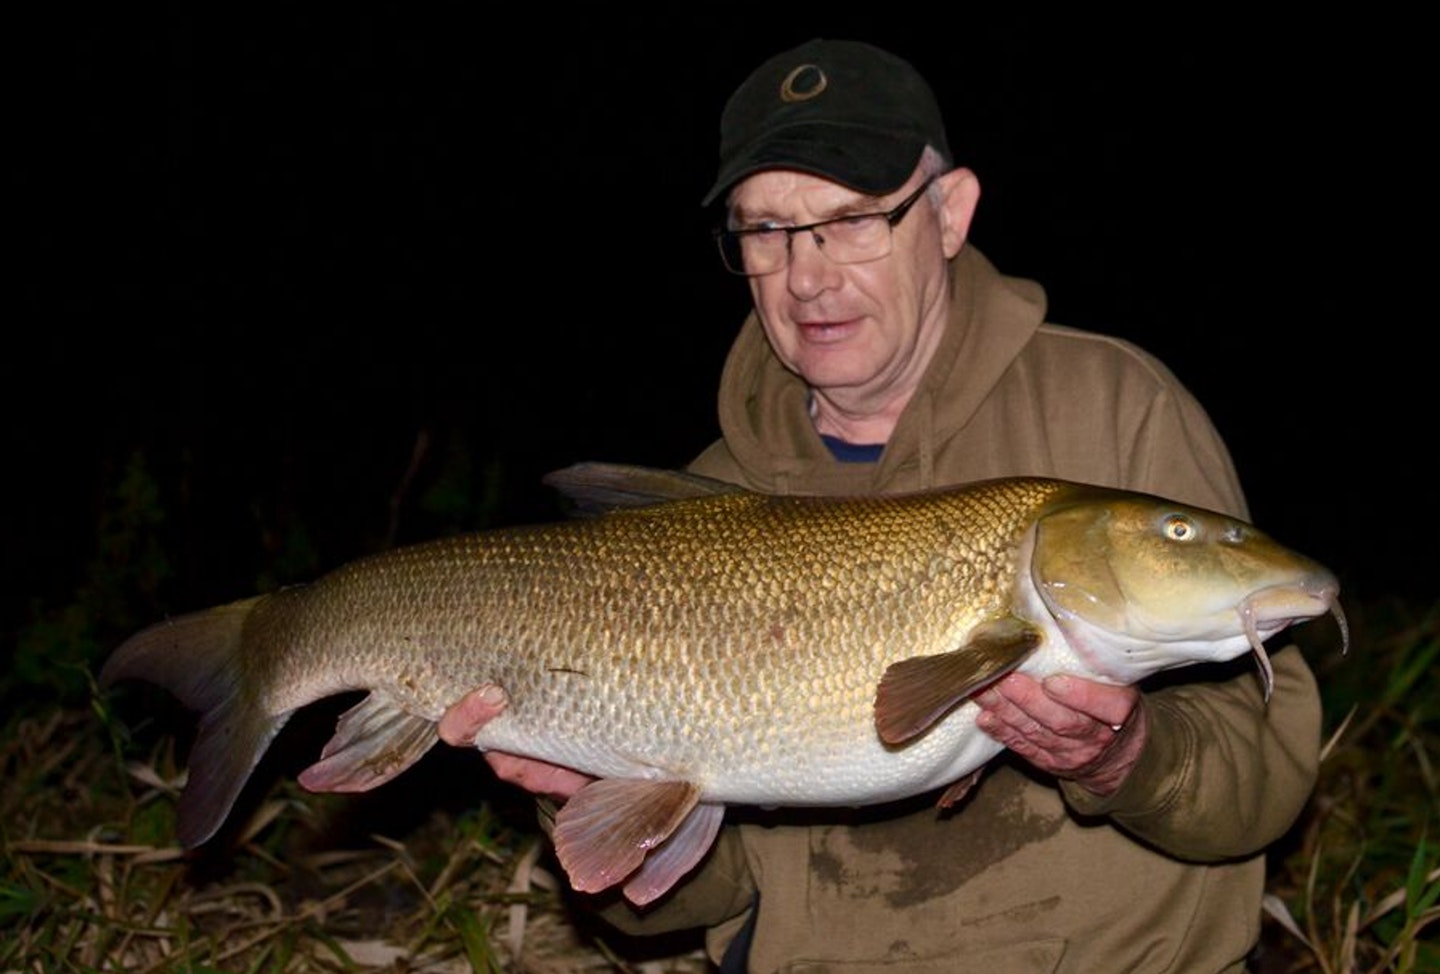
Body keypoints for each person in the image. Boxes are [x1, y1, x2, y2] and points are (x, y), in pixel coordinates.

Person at [439, 39, 1321, 973]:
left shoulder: (1112, 408)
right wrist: (583, 785)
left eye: (853, 220)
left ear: (950, 213)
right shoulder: (707, 499)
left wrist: (1124, 757)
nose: (807, 276)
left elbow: (1263, 784)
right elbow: (685, 903)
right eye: (765, 231)